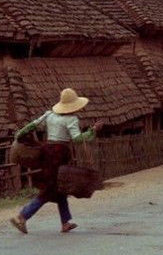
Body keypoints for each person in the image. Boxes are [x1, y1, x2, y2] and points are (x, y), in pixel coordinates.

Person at [9, 88, 100, 234]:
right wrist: (92, 131)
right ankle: (23, 216)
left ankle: (65, 223)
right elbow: (77, 138)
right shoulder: (71, 119)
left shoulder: (49, 115)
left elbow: (33, 124)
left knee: (61, 187)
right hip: (59, 156)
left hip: (47, 153)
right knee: (50, 189)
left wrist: (20, 133)